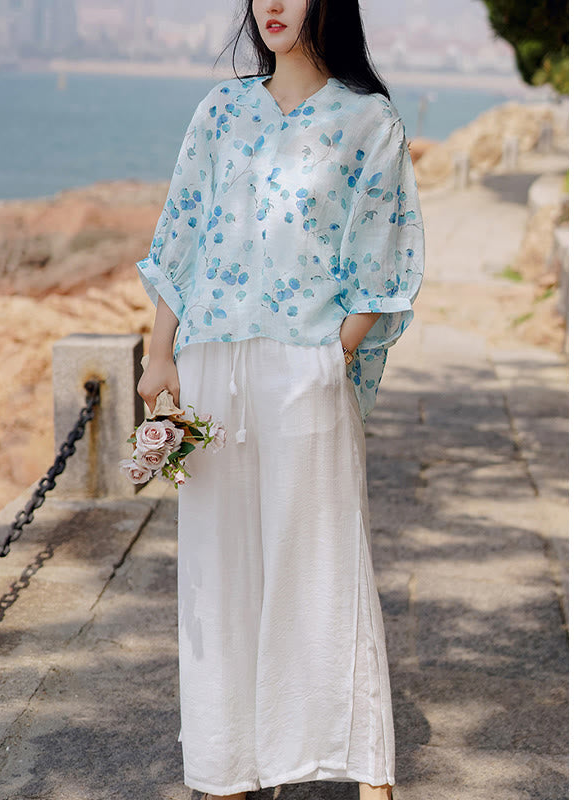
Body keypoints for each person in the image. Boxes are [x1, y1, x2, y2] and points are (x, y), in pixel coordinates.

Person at [135, 1, 424, 798]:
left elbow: (384, 260)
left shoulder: (369, 122)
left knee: (323, 565)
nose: (272, 4)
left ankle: (367, 773)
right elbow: (182, 236)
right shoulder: (220, 109)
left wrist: (330, 358)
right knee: (217, 572)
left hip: (305, 365)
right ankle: (226, 769)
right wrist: (158, 355)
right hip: (211, 363)